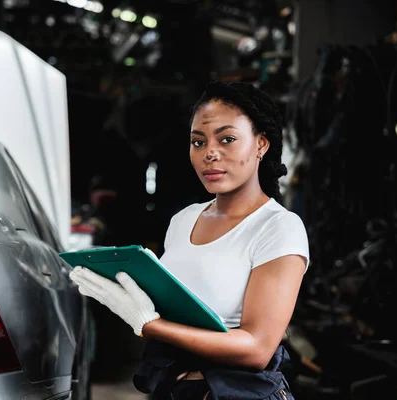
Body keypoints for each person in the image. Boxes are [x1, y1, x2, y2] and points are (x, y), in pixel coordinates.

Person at [69, 81, 309, 400]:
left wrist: (148, 324)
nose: (210, 153)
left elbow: (257, 349)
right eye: (198, 142)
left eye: (227, 139)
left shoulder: (278, 227)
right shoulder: (184, 221)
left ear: (261, 144)